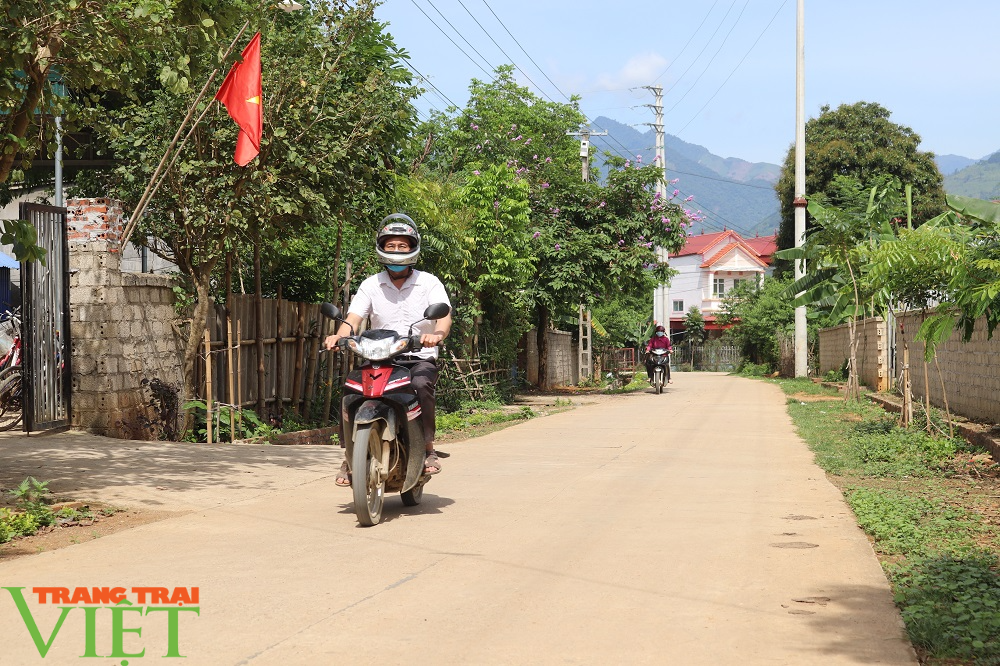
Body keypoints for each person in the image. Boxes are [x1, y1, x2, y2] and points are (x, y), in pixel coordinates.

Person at [324, 213, 453, 487]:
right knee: (350, 390)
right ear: (382, 247)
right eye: (391, 245)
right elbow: (354, 318)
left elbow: (444, 316)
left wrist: (437, 335)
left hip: (417, 357)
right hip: (379, 359)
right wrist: (338, 336)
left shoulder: (429, 282)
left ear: (413, 247)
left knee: (421, 384)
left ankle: (428, 448)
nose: (396, 251)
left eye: (402, 246)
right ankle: (350, 457)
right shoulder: (371, 284)